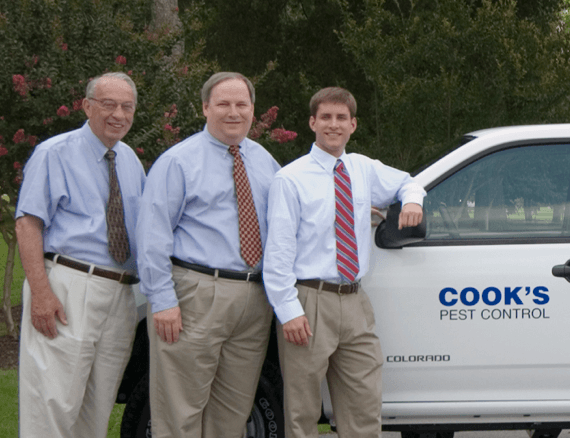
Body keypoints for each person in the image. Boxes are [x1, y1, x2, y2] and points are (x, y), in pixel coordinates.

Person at [263, 87, 426, 438]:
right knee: (302, 411)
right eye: (325, 117)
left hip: (354, 301)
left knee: (364, 404)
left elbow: (408, 183)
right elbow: (277, 252)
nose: (333, 125)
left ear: (353, 125)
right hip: (309, 301)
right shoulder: (290, 179)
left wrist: (412, 202)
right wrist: (288, 310)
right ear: (312, 122)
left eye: (341, 118)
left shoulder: (363, 168)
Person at [135, 72, 280, 438]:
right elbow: (152, 236)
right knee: (179, 412)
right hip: (195, 295)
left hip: (253, 299)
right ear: (205, 108)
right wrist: (163, 299)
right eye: (223, 104)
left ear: (252, 109)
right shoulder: (178, 161)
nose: (233, 112)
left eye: (241, 104)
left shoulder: (264, 160)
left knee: (232, 414)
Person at [15, 72, 146, 437]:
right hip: (68, 287)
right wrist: (41, 294)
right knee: (52, 405)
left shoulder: (130, 160)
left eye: (126, 106)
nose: (118, 114)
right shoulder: (54, 153)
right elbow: (27, 225)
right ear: (87, 106)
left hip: (121, 294)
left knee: (96, 409)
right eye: (108, 104)